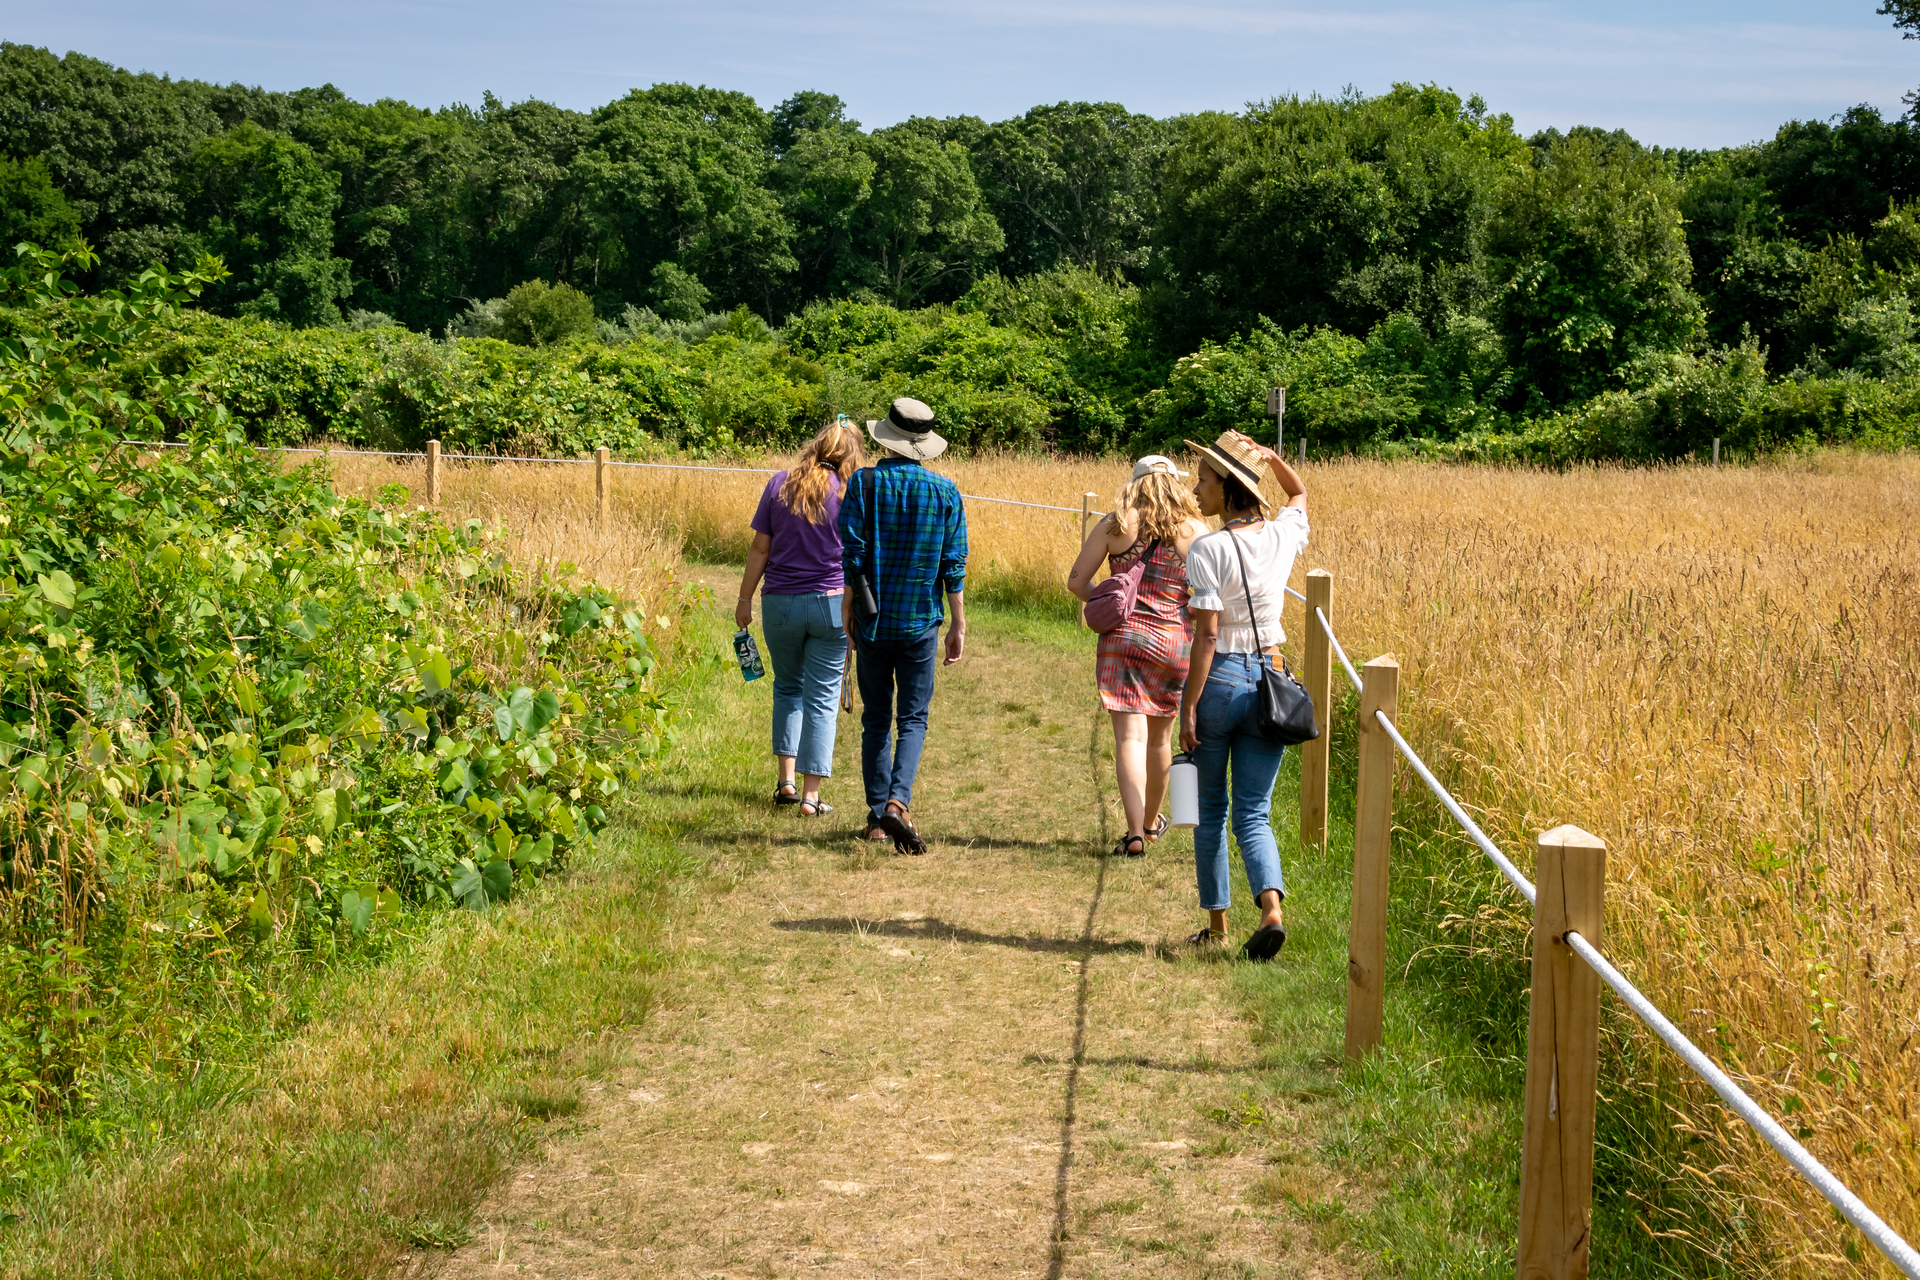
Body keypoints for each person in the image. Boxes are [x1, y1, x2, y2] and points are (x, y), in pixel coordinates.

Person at [1177, 429, 1309, 960]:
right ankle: (1272, 909)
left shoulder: (1207, 549)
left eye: (1205, 480)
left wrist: (1189, 705)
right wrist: (1274, 459)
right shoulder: (1281, 536)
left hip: (1221, 681)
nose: (1196, 490)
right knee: (1254, 812)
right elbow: (1299, 496)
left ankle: (1217, 926)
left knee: (1210, 810)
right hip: (1270, 681)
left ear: (1229, 486)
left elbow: (1206, 637)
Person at [837, 397, 968, 855]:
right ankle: (898, 801)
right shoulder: (947, 493)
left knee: (875, 719)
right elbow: (953, 564)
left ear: (886, 440)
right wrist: (959, 622)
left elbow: (851, 553)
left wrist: (848, 607)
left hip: (873, 621)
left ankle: (877, 818)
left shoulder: (863, 484)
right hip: (920, 623)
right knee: (913, 718)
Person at [1067, 456, 1209, 859]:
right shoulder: (1196, 530)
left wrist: (1110, 599)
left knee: (1129, 738)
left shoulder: (1117, 522)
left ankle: (1131, 833)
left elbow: (1076, 581)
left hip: (1122, 638)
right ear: (1175, 483)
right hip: (1173, 640)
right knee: (1160, 739)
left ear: (1135, 483)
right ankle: (1150, 825)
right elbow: (1208, 595)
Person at [736, 418, 865, 817]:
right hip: (830, 605)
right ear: (850, 456)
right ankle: (811, 797)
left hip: (779, 603)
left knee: (788, 688)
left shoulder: (779, 484)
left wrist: (744, 599)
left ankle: (785, 782)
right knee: (823, 697)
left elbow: (760, 548)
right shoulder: (849, 492)